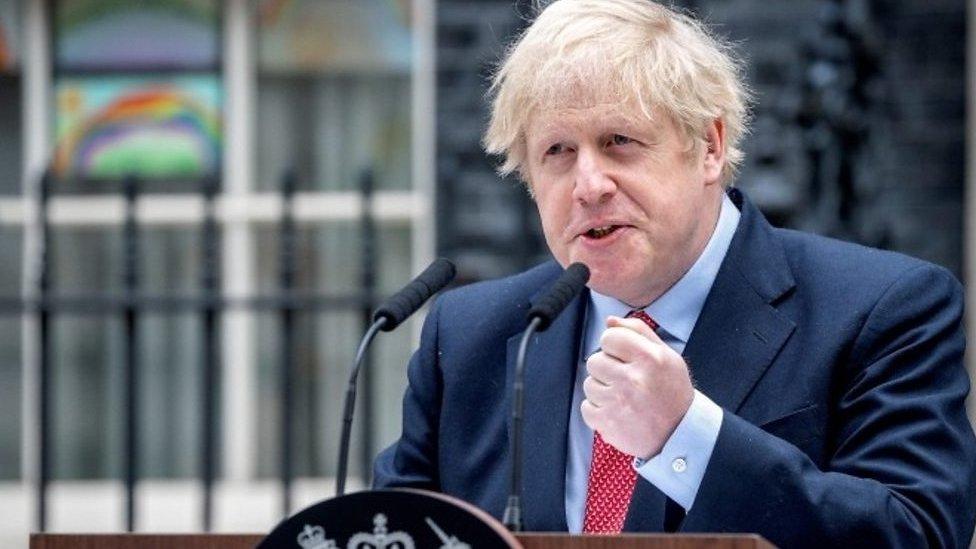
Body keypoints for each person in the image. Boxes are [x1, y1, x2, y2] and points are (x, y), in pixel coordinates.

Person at [373, 0, 976, 546]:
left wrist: (686, 437)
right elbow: (387, 532)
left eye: (619, 141)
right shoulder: (469, 335)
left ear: (710, 146)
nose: (588, 185)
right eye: (557, 152)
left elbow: (918, 533)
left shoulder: (884, 307)